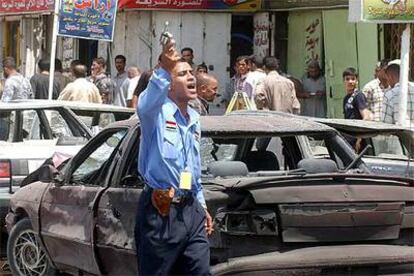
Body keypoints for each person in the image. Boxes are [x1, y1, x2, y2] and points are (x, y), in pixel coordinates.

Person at [135, 39, 212, 275]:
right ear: (168, 84)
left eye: (191, 73)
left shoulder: (194, 119)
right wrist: (163, 68)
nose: (191, 78)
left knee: (200, 271)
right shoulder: (156, 114)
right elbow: (145, 105)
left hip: (191, 210)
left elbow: (192, 168)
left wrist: (201, 205)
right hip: (161, 211)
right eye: (182, 74)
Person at [342, 67, 370, 153]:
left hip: (358, 140)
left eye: (353, 79)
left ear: (356, 81)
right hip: (349, 138)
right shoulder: (346, 98)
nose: (350, 82)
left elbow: (366, 117)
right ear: (344, 81)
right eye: (347, 79)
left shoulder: (358, 95)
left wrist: (359, 139)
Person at [382, 63, 414, 129]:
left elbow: (386, 125)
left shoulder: (389, 95)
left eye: (387, 79)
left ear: (390, 77)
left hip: (401, 137)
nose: (388, 82)